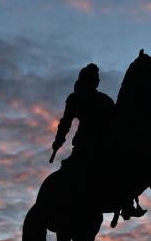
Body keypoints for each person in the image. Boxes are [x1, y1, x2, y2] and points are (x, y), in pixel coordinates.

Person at [51, 63, 145, 223]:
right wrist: (59, 139)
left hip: (106, 142)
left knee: (123, 166)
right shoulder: (75, 98)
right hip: (85, 143)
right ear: (87, 80)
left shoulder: (105, 99)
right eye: (95, 78)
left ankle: (126, 202)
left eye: (98, 78)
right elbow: (66, 122)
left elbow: (118, 120)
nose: (98, 81)